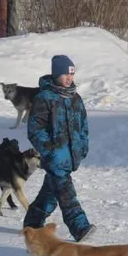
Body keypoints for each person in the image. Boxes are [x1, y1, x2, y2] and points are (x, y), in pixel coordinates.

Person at [23, 55, 96, 242]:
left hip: (71, 155)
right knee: (65, 192)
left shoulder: (75, 99)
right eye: (65, 75)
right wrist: (49, 150)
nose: (69, 78)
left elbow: (83, 126)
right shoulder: (44, 98)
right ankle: (80, 227)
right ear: (56, 74)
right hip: (54, 156)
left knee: (50, 193)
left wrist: (82, 146)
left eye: (71, 75)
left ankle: (32, 222)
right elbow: (35, 129)